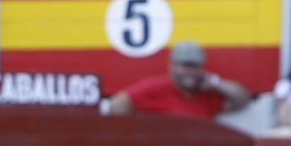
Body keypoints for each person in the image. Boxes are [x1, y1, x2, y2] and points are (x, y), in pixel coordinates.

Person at [105, 39, 251, 116]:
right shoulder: (156, 87)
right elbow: (117, 105)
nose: (190, 71)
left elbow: (241, 99)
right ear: (172, 66)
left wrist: (215, 83)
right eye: (184, 65)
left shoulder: (205, 95)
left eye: (194, 66)